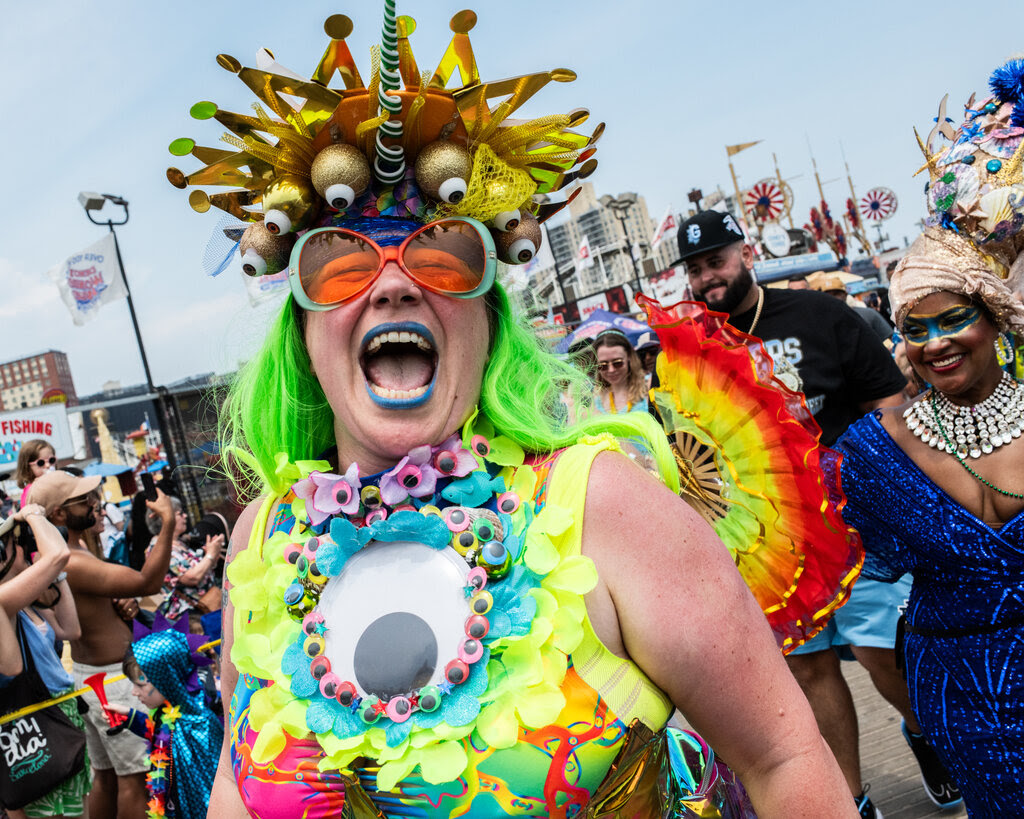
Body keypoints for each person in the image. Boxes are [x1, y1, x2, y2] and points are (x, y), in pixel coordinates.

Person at [172, 7, 854, 816]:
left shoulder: (602, 507)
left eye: (443, 254)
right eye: (340, 264)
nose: (393, 285)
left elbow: (783, 757)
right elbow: (231, 783)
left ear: (489, 320)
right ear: (304, 335)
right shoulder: (264, 538)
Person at [677, 208, 958, 815]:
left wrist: (893, 494)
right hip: (768, 547)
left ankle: (927, 734)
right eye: (696, 269)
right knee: (811, 674)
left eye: (716, 261)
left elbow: (892, 407)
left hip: (857, 530)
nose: (708, 277)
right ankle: (853, 802)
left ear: (744, 254)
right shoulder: (688, 349)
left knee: (887, 658)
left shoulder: (822, 317)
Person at [835, 63, 1024, 815]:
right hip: (964, 698)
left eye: (953, 320)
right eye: (915, 329)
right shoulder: (874, 449)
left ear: (995, 318)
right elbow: (849, 570)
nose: (935, 343)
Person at [28, 469, 176, 819]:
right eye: (83, 500)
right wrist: (167, 523)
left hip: (98, 681)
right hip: (110, 683)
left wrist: (124, 608)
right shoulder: (70, 559)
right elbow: (148, 580)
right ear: (59, 515)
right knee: (135, 778)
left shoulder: (72, 554)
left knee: (108, 778)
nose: (95, 503)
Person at [0, 503, 87, 818]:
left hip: (58, 713)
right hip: (29, 724)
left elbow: (71, 629)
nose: (24, 548)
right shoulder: (3, 604)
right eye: (16, 543)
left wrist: (55, 576)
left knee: (76, 811)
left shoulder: (24, 601)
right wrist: (33, 513)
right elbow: (58, 554)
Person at [102, 614, 224, 819]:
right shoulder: (169, 713)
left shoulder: (200, 726)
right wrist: (130, 718)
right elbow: (160, 735)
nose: (133, 692)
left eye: (140, 684)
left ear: (167, 680)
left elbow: (210, 790)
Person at [145, 496, 224, 619]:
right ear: (166, 519)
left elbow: (200, 570)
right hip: (189, 617)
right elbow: (192, 577)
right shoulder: (158, 548)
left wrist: (212, 553)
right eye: (180, 513)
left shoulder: (178, 543)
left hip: (205, 607)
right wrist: (210, 555)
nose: (185, 516)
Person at [810, 273, 893, 342]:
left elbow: (890, 340)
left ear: (845, 294)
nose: (833, 298)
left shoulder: (868, 314)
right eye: (827, 295)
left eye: (836, 294)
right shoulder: (819, 323)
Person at [592, 329, 648, 414]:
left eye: (617, 363)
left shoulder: (648, 388)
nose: (611, 370)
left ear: (629, 356)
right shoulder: (597, 400)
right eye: (603, 365)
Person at [15, 439, 56, 508]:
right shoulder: (31, 492)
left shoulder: (56, 482)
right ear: (27, 467)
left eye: (51, 460)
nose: (48, 465)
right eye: (41, 463)